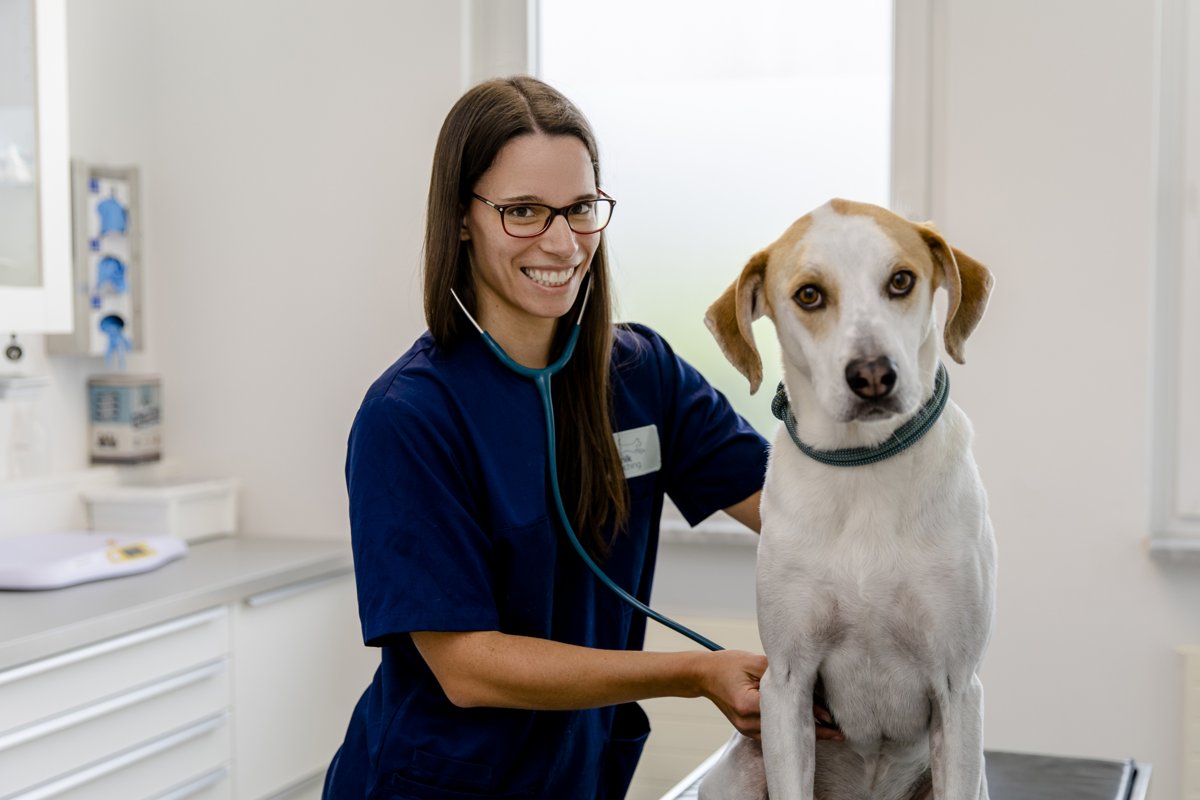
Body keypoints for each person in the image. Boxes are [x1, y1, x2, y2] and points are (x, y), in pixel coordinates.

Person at [324, 75, 839, 800]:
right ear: (462, 217)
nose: (563, 242)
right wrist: (692, 673)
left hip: (578, 777)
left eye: (581, 209)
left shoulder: (643, 376)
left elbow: (796, 513)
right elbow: (468, 667)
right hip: (440, 782)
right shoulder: (409, 417)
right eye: (524, 211)